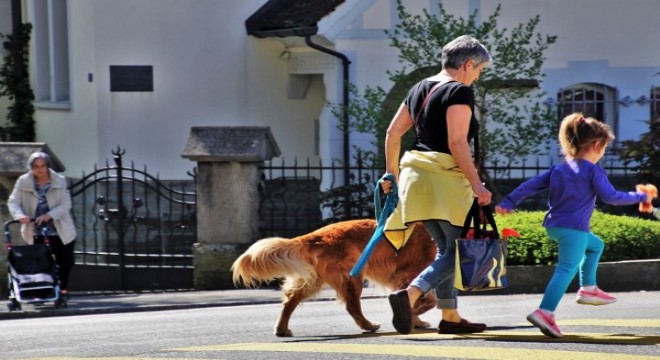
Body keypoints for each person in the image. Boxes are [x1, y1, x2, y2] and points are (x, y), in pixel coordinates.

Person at [495, 113, 652, 338]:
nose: (604, 152)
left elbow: (530, 185)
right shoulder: (593, 171)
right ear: (597, 144)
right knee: (566, 269)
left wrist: (509, 201)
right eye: (605, 147)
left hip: (555, 227)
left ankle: (588, 289)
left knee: (595, 245)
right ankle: (545, 312)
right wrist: (640, 197)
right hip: (574, 230)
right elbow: (611, 197)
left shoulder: (558, 169)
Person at [382, 35, 492, 335]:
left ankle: (451, 317)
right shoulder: (459, 91)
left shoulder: (419, 87)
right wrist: (478, 185)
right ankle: (410, 296)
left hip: (414, 177)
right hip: (444, 178)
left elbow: (393, 134)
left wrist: (391, 176)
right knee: (459, 251)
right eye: (480, 70)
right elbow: (457, 142)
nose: (479, 76)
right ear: (468, 64)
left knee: (446, 248)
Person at [7, 152, 77, 297]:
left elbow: (66, 204)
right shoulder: (23, 181)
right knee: (41, 261)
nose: (40, 169)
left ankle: (63, 288)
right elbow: (13, 201)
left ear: (47, 166)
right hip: (35, 228)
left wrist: (49, 215)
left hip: (59, 227)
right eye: (36, 166)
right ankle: (47, 289)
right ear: (31, 168)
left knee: (66, 260)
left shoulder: (59, 180)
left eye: (43, 166)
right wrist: (20, 215)